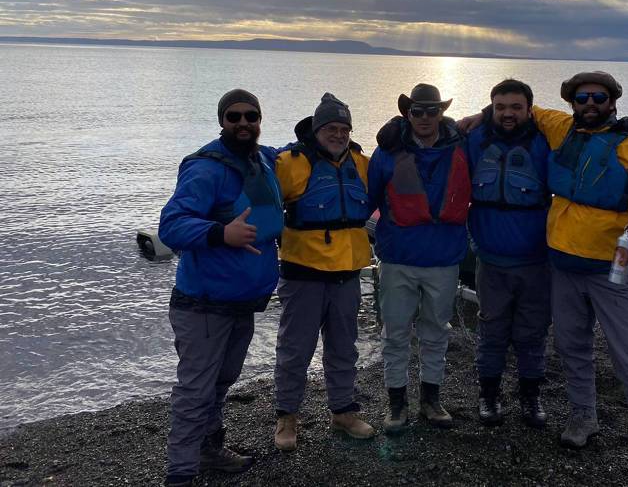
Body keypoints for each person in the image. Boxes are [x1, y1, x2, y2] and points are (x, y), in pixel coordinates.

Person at [531, 71, 628, 487]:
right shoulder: (560, 127)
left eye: (598, 97)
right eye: (582, 98)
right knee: (571, 347)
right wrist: (471, 119)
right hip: (562, 268)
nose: (590, 103)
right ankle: (583, 417)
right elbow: (524, 108)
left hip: (614, 274)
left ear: (612, 101)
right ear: (572, 102)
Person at [158, 89, 283, 487]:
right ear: (222, 121)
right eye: (234, 117)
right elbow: (171, 225)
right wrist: (219, 233)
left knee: (221, 381)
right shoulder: (205, 168)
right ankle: (180, 474)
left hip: (242, 302)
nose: (243, 123)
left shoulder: (261, 159)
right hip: (202, 303)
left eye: (251, 116)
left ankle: (210, 450)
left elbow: (294, 146)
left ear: (260, 120)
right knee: (195, 390)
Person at [272, 93, 375, 450]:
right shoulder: (289, 162)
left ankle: (343, 412)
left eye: (344, 128)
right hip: (304, 275)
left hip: (347, 274)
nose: (338, 134)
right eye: (331, 128)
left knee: (344, 348)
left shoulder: (362, 163)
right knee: (294, 349)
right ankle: (287, 418)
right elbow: (259, 200)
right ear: (316, 130)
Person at [367, 83, 470, 434]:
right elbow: (367, 198)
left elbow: (506, 129)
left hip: (443, 260)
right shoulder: (386, 152)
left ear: (442, 112)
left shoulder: (463, 145)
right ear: (406, 113)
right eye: (417, 111)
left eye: (432, 111)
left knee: (436, 333)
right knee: (395, 333)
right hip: (398, 258)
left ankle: (431, 400)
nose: (425, 118)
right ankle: (397, 405)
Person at [465, 79, 551, 428]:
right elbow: (428, 138)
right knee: (492, 330)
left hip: (536, 262)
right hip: (491, 261)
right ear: (492, 109)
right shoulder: (475, 139)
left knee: (532, 333)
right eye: (500, 107)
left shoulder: (546, 142)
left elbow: (587, 138)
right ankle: (489, 395)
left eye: (516, 107)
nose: (508, 114)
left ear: (530, 109)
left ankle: (531, 397)